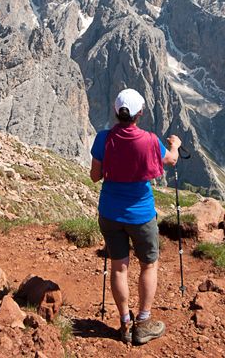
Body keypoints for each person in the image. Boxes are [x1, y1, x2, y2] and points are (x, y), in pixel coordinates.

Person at [90, 88, 181, 345]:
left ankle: (124, 323)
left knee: (119, 268)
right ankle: (143, 322)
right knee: (148, 265)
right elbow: (171, 160)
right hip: (141, 215)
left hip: (109, 212)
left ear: (116, 112)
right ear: (140, 113)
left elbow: (95, 176)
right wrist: (175, 145)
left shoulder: (103, 139)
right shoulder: (151, 140)